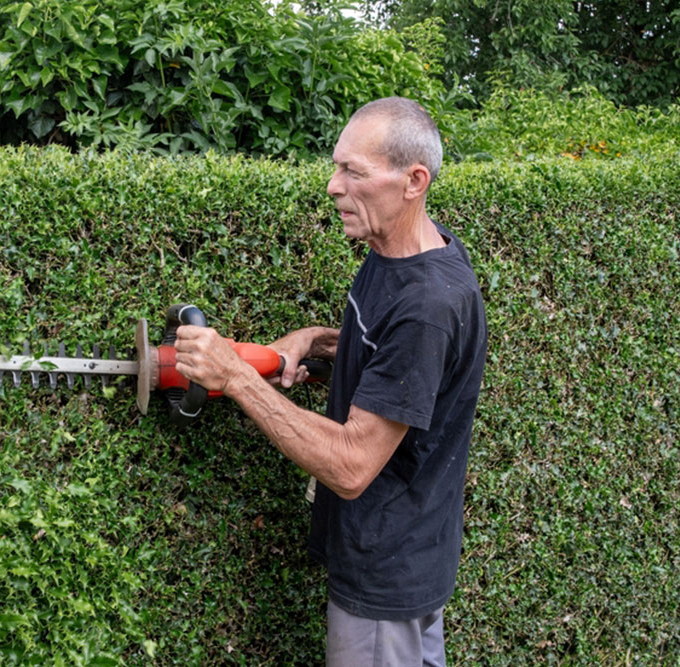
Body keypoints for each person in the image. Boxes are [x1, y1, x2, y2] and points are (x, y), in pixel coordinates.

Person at [174, 96, 488, 666]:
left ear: (413, 180)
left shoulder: (427, 305)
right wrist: (313, 341)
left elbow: (350, 467)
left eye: (353, 172)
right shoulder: (401, 251)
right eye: (337, 165)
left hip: (386, 572)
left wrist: (237, 377)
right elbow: (397, 361)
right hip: (409, 554)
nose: (332, 186)